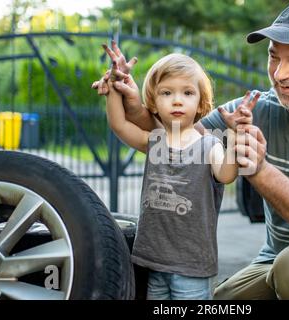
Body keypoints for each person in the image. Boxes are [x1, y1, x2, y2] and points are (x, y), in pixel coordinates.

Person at [93, 0, 289, 299]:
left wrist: (259, 169)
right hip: (278, 257)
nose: (279, 74)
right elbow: (178, 136)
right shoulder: (258, 107)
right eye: (274, 57)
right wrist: (131, 101)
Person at [103, 51, 259, 300]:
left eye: (187, 93)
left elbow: (227, 174)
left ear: (200, 102)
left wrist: (237, 135)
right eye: (167, 93)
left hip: (193, 268)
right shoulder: (154, 141)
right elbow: (119, 124)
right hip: (154, 262)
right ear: (153, 102)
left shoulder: (210, 145)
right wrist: (112, 86)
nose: (177, 101)